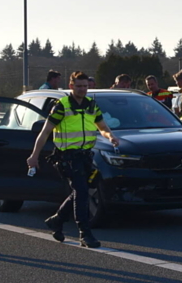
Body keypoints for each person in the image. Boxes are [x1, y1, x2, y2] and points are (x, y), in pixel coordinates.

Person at [26, 71, 119, 248]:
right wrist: (34, 155)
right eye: (79, 86)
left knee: (82, 190)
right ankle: (85, 234)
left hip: (86, 155)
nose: (83, 89)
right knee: (82, 193)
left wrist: (110, 137)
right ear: (71, 86)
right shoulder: (62, 105)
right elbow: (45, 131)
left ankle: (57, 220)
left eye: (85, 86)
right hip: (68, 157)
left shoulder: (91, 105)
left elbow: (102, 127)